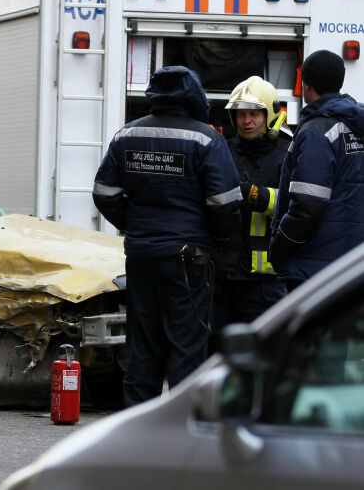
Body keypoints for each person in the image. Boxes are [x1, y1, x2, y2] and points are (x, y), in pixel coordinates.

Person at [93, 65, 241, 406]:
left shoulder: (126, 136)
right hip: (189, 260)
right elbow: (224, 204)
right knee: (186, 349)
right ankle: (180, 435)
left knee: (142, 348)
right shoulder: (206, 138)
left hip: (142, 256)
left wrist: (134, 223)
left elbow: (104, 193)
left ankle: (137, 434)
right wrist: (219, 240)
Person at [270, 50, 364, 290]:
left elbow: (308, 204)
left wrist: (280, 247)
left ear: (307, 85)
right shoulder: (356, 125)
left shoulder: (315, 131)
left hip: (315, 269)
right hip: (353, 264)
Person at [213, 76, 290, 333]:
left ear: (269, 114)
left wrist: (258, 196)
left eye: (254, 114)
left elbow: (300, 204)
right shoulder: (223, 151)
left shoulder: (289, 152)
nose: (246, 121)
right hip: (224, 277)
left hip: (267, 283)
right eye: (241, 114)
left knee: (266, 356)